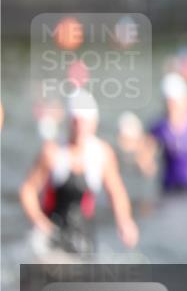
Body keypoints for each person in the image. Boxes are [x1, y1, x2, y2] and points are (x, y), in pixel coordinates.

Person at [20, 90, 140, 256]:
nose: (81, 127)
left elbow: (116, 192)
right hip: (51, 232)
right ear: (70, 122)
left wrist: (124, 221)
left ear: (94, 123)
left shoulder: (102, 154)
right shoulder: (53, 152)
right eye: (76, 122)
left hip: (84, 235)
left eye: (85, 122)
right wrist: (39, 221)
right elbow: (28, 190)